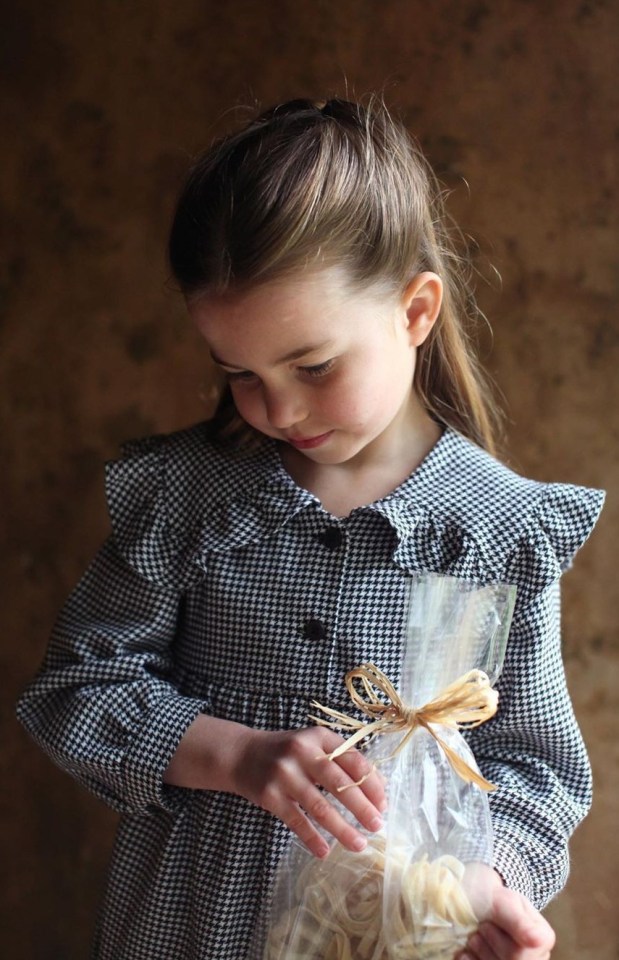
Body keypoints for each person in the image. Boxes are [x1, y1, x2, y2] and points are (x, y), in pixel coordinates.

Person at [17, 97, 604, 960]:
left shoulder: (497, 529)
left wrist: (476, 881)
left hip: (383, 939)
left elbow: (539, 771)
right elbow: (75, 688)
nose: (277, 408)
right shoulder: (189, 496)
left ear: (414, 312)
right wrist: (238, 757)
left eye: (313, 366)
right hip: (185, 931)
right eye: (238, 372)